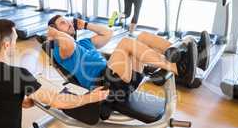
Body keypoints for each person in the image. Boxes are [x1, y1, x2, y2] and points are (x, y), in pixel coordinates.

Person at [46, 15, 205, 102]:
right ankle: (180, 69)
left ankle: (185, 56)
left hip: (121, 78)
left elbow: (107, 33)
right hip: (106, 86)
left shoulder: (84, 42)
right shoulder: (61, 52)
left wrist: (86, 25)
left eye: (68, 21)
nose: (69, 24)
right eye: (63, 23)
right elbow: (68, 43)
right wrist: (53, 34)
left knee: (142, 36)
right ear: (54, 31)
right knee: (126, 43)